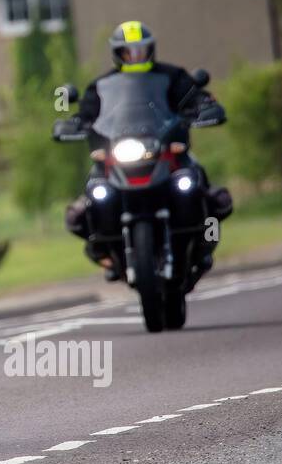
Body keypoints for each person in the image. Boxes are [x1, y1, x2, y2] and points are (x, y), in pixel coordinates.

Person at [64, 21, 233, 274]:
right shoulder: (101, 86)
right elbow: (87, 113)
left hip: (165, 153)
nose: (135, 56)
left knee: (201, 187)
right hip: (118, 157)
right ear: (117, 53)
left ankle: (204, 242)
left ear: (151, 49)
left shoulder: (172, 76)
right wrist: (74, 122)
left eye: (140, 50)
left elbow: (194, 96)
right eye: (128, 51)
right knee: (88, 201)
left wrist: (204, 105)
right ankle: (103, 249)